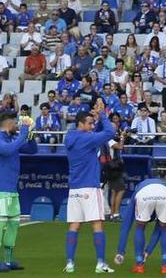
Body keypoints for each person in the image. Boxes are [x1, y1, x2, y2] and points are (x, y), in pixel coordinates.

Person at [63, 98, 116, 274]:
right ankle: (100, 263)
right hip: (90, 187)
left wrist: (97, 118)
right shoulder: (87, 139)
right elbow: (109, 131)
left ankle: (70, 263)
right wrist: (101, 114)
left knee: (74, 225)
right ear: (80, 124)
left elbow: (97, 134)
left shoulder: (70, 137)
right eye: (90, 123)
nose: (92, 126)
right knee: (97, 224)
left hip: (75, 188)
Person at [0, 112, 33, 272]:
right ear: (7, 123)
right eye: (15, 123)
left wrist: (30, 134)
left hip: (11, 189)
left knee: (13, 223)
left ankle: (9, 260)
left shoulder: (11, 138)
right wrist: (24, 132)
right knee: (0, 224)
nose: (17, 125)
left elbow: (32, 149)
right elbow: (7, 150)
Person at [114, 178, 166, 274]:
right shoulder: (165, 187)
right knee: (164, 227)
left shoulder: (137, 191)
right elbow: (158, 231)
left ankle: (139, 265)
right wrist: (148, 251)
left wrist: (120, 251)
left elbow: (126, 224)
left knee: (140, 227)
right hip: (165, 193)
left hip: (144, 194)